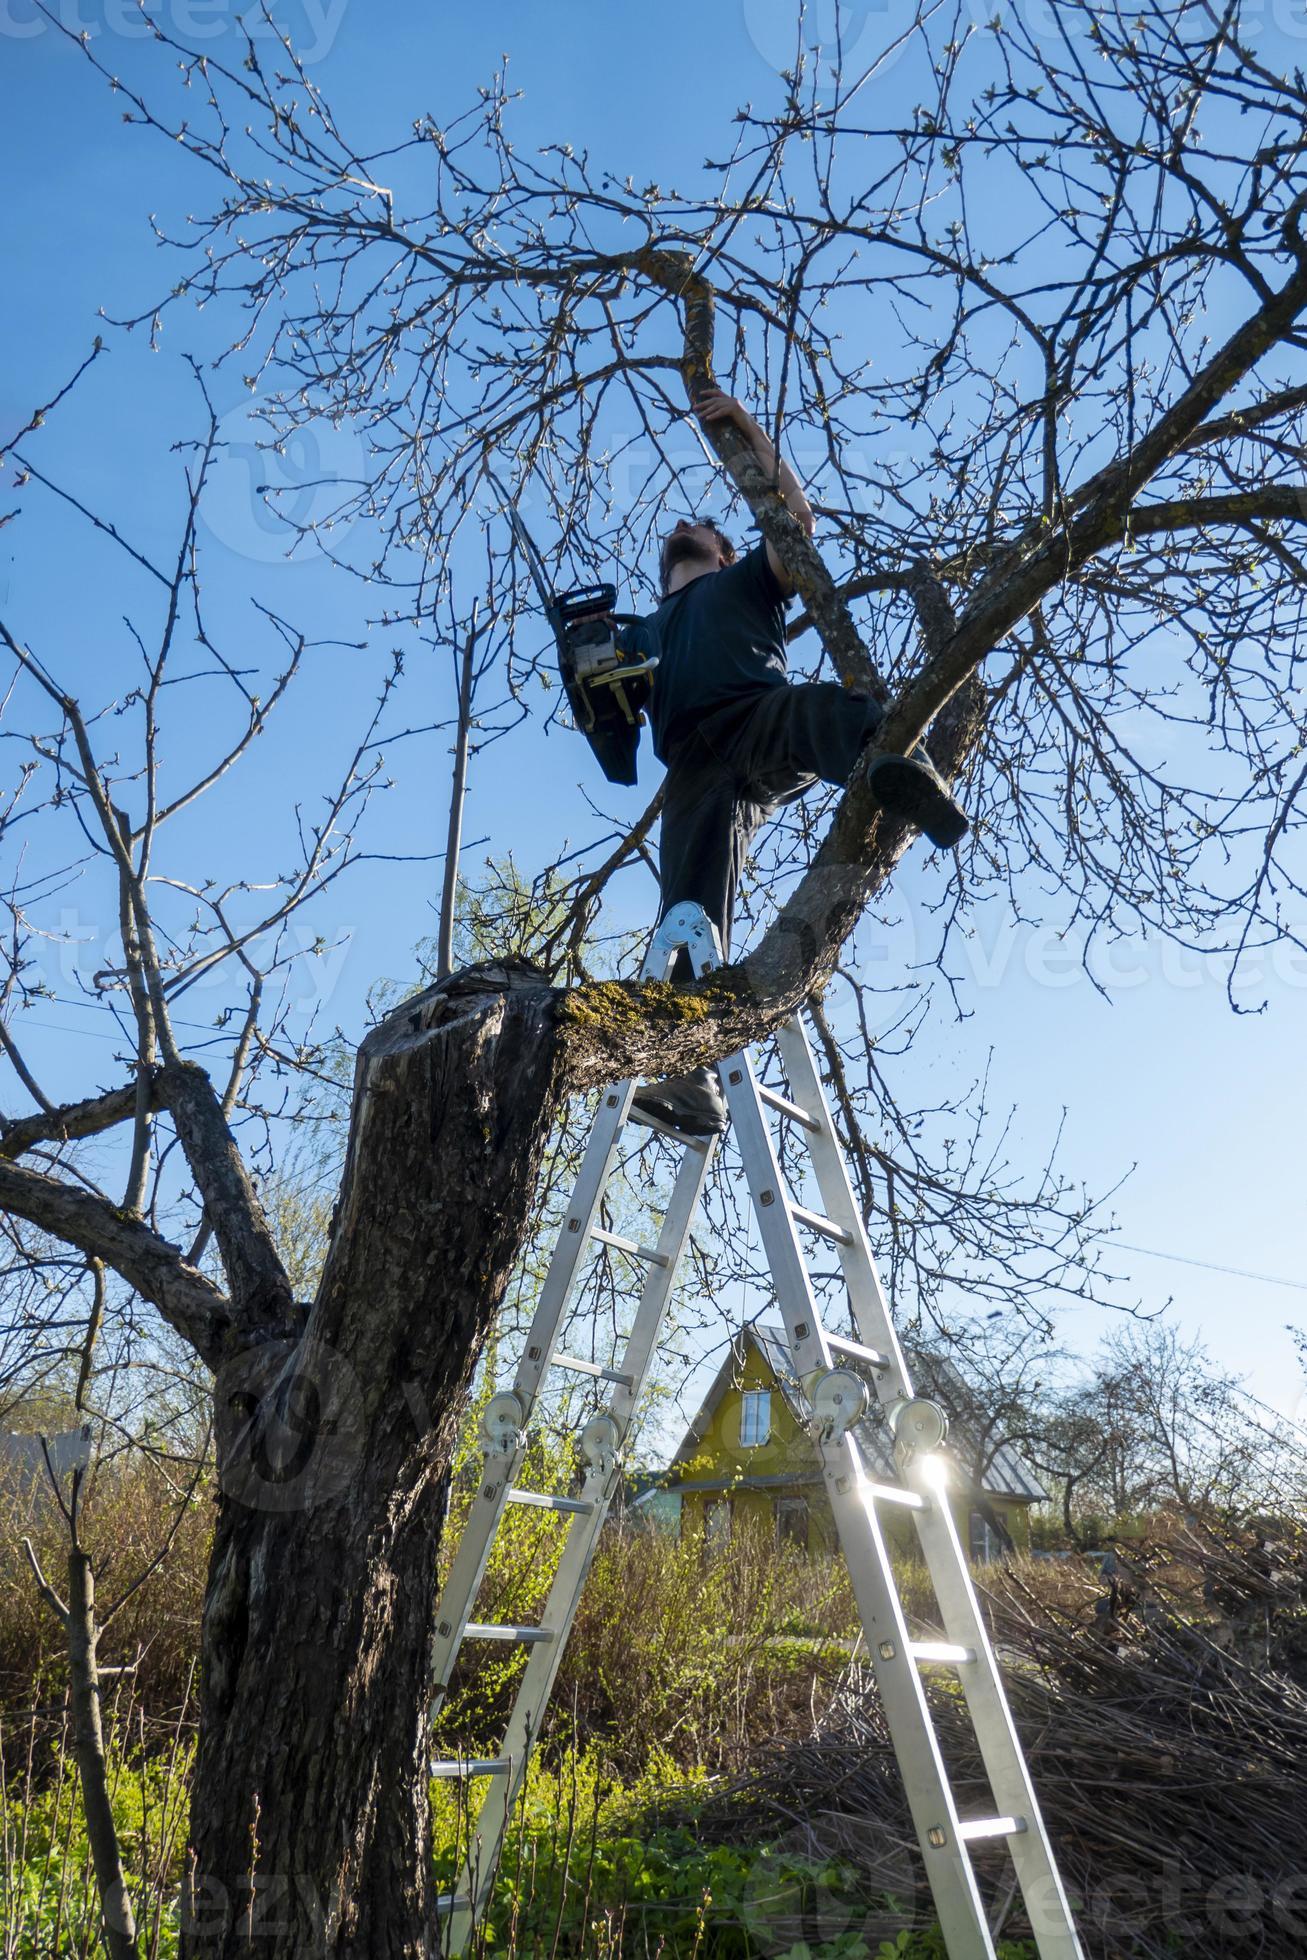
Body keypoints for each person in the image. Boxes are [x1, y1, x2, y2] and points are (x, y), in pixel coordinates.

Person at [631, 389, 969, 1138]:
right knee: (686, 915)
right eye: (679, 529)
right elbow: (610, 725)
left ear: (722, 551)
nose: (682, 527)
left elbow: (795, 525)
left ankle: (897, 770)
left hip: (756, 718)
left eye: (701, 526)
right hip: (689, 767)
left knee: (820, 707)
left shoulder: (742, 580)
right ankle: (693, 1082)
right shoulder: (643, 630)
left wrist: (745, 428)